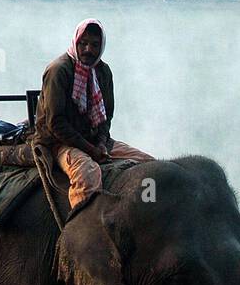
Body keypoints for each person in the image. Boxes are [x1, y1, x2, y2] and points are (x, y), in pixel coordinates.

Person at [35, 19, 153, 211]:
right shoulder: (59, 70)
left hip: (94, 141)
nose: (88, 49)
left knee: (149, 164)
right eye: (83, 43)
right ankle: (80, 232)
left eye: (95, 45)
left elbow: (106, 116)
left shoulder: (103, 71)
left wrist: (100, 142)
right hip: (59, 142)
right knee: (87, 176)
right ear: (76, 42)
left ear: (102, 46)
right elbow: (56, 123)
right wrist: (90, 149)